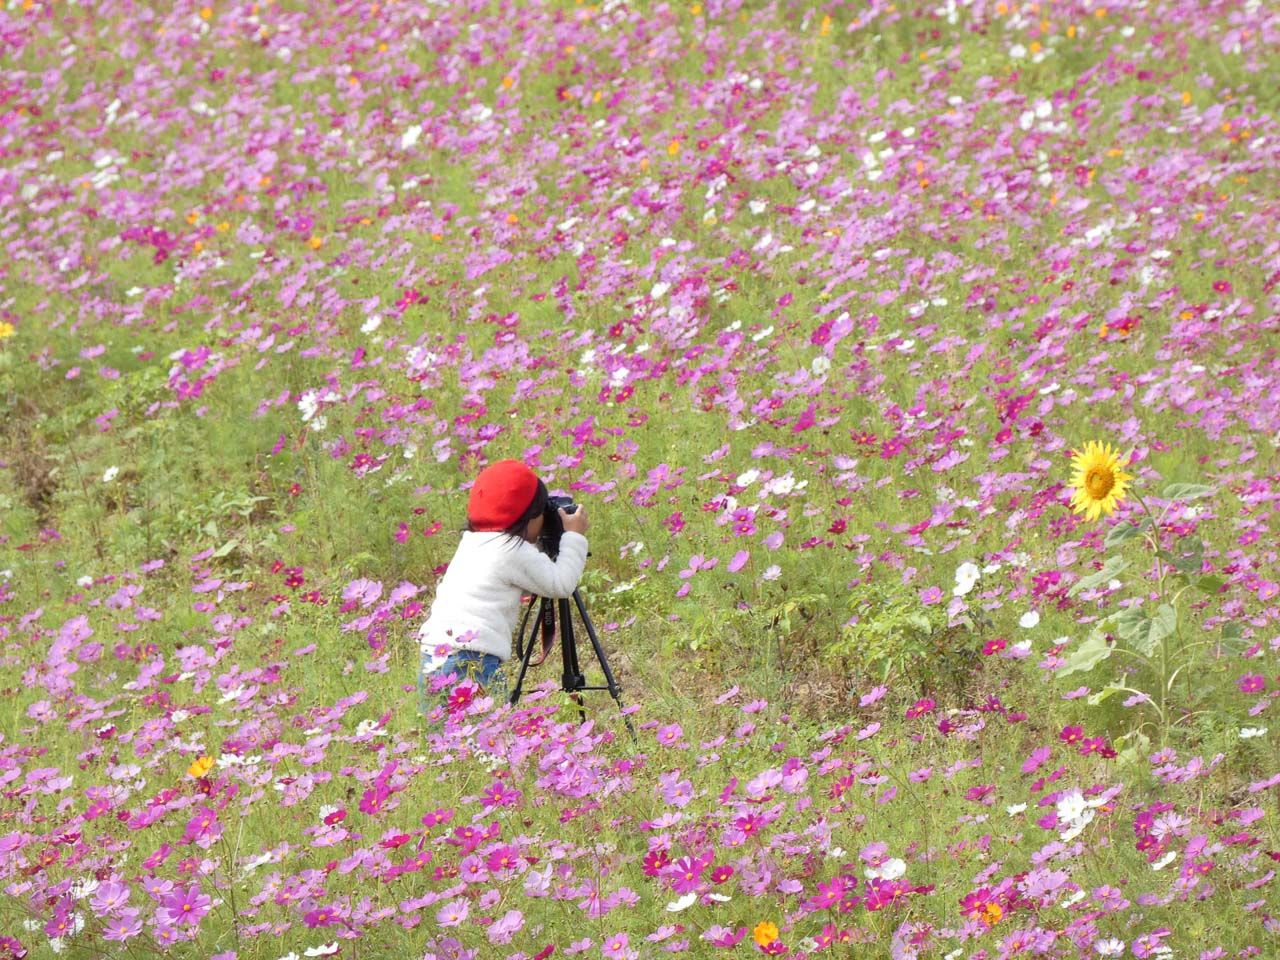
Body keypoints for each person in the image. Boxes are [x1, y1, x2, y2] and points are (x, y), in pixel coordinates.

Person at [417, 459, 589, 707]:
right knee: (486, 731)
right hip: (471, 657)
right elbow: (561, 584)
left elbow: (523, 572)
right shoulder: (512, 549)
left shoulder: (474, 540)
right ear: (530, 517)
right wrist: (573, 536)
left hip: (434, 654)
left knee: (446, 738)